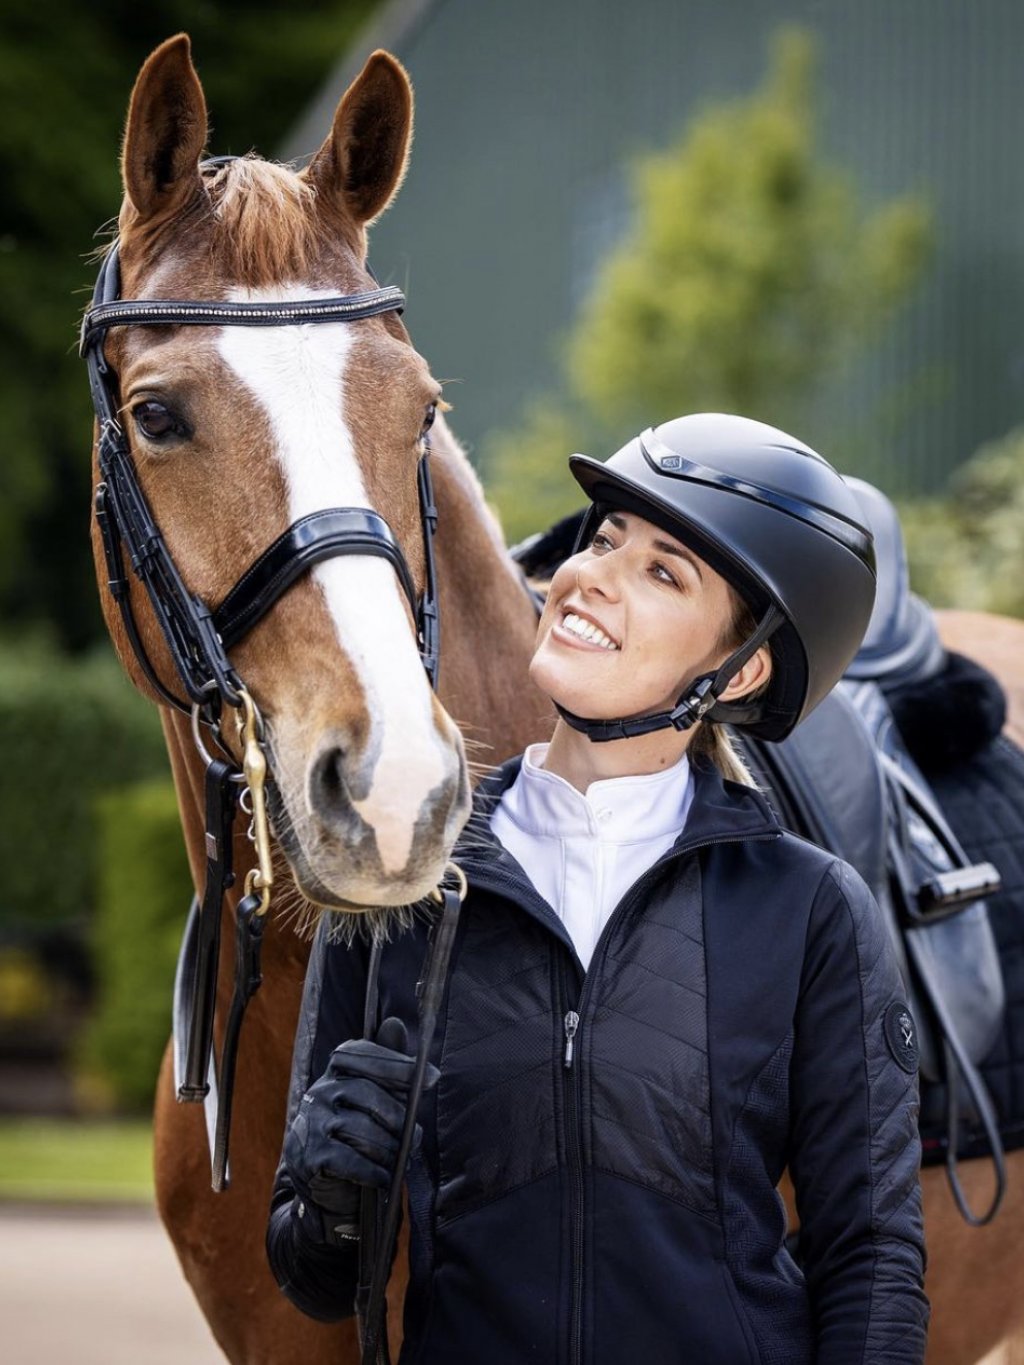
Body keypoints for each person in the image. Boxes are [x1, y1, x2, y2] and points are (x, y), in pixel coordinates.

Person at [266, 413, 929, 1364]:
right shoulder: (404, 886)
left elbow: (872, 1260)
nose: (590, 576)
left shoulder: (812, 910)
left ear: (738, 669)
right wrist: (328, 1190)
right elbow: (313, 1277)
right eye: (607, 538)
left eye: (663, 571)